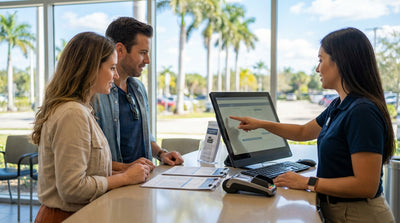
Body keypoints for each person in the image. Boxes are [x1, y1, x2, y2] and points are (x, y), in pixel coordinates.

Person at [230, 27, 395, 223]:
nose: (317, 69)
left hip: (359, 215)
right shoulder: (339, 104)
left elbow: (365, 186)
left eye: (320, 60)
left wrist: (306, 182)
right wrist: (260, 124)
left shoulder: (362, 111)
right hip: (340, 210)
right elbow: (304, 132)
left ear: (340, 61)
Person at [31, 32, 152, 223]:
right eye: (112, 68)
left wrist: (125, 170)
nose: (117, 75)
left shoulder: (81, 109)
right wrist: (125, 178)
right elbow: (73, 188)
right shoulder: (72, 113)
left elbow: (88, 171)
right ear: (90, 69)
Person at [94, 17, 183, 169]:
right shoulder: (96, 93)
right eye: (143, 53)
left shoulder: (138, 88)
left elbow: (143, 135)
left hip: (143, 180)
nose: (147, 60)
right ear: (120, 50)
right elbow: (91, 158)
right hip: (114, 185)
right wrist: (127, 170)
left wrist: (161, 154)